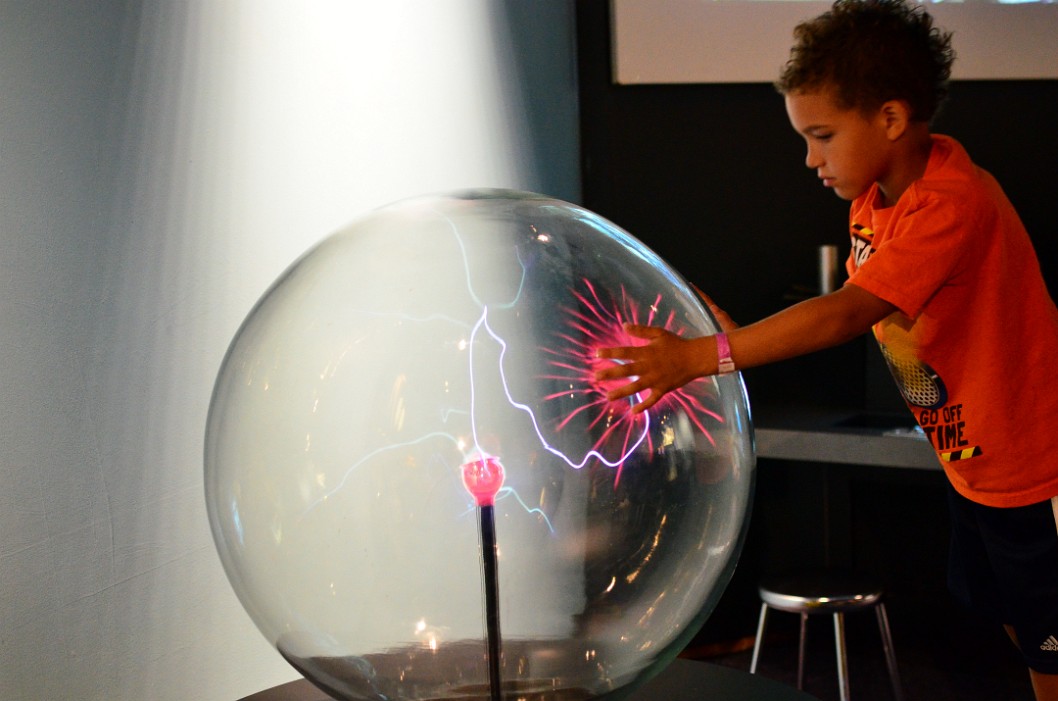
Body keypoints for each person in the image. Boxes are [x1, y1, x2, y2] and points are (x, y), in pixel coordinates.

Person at [594, 0, 1058, 698]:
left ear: (892, 119)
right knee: (1019, 620)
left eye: (821, 135)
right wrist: (734, 340)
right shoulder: (876, 201)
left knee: (1051, 636)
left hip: (1038, 466)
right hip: (975, 465)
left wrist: (705, 354)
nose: (810, 158)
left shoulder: (951, 202)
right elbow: (847, 312)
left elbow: (844, 315)